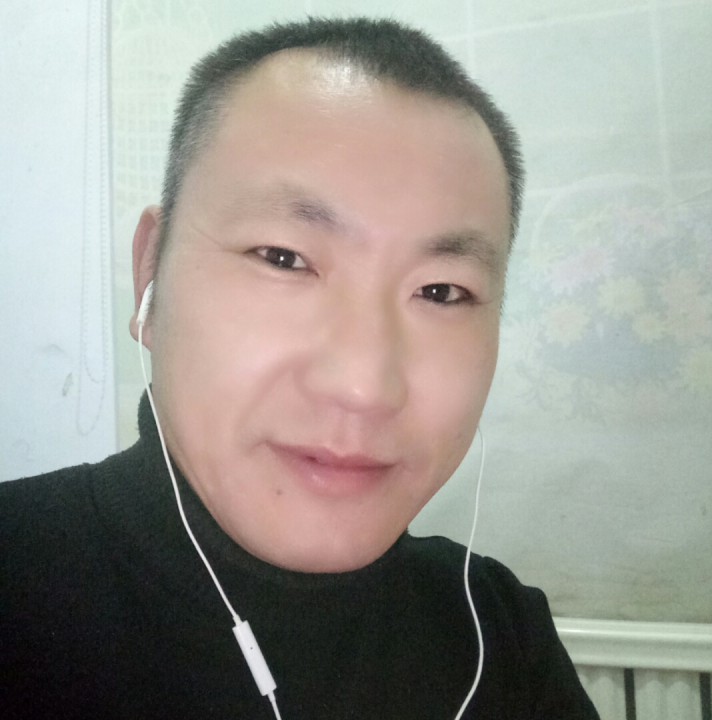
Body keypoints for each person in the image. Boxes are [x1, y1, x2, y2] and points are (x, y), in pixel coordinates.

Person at [1, 17, 599, 720]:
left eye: (442, 292)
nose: (364, 386)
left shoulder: (498, 634)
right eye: (283, 258)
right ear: (149, 277)